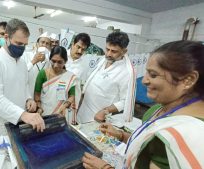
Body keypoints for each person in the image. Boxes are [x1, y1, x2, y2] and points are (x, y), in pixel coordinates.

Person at [82, 40, 204, 169]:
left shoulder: (190, 134)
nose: (144, 80)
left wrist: (105, 168)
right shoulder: (159, 109)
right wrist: (121, 135)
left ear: (188, 80)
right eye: (146, 72)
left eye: (153, 75)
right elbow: (147, 149)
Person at [0, 18, 45, 144]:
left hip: (20, 123)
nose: (22, 48)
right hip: (2, 128)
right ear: (7, 37)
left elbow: (23, 84)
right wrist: (24, 115)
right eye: (18, 43)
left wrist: (28, 98)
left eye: (25, 45)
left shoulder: (21, 61)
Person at [77, 31, 136, 124]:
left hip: (97, 118)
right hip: (82, 111)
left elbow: (125, 101)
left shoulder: (126, 72)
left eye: (114, 51)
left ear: (124, 51)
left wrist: (106, 111)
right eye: (107, 49)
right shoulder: (103, 60)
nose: (108, 54)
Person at [34, 46, 81, 123]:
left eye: (60, 62)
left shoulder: (70, 77)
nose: (56, 65)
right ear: (49, 59)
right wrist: (39, 108)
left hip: (61, 114)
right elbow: (37, 94)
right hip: (44, 113)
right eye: (53, 61)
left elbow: (72, 96)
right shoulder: (42, 73)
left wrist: (64, 106)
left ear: (65, 61)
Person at [22, 32, 52, 97]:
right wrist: (33, 61)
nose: (44, 45)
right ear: (37, 44)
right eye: (42, 42)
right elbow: (21, 73)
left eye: (47, 44)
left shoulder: (49, 62)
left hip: (39, 98)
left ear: (49, 47)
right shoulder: (26, 55)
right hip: (25, 95)